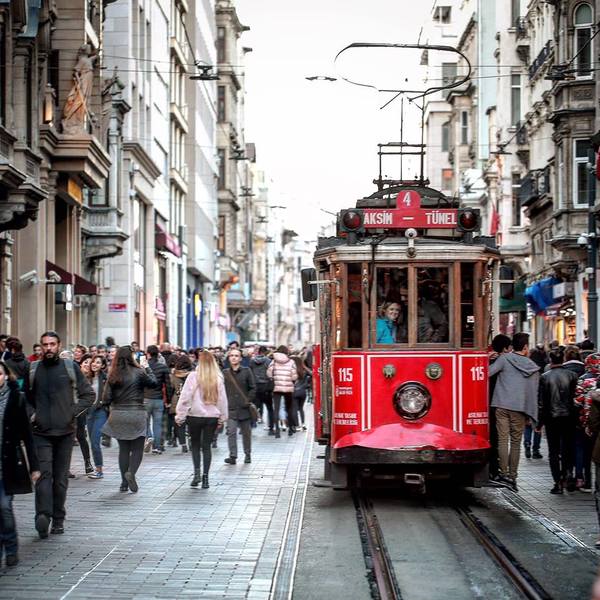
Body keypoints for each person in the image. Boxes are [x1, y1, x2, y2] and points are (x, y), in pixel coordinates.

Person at [25, 331, 94, 538]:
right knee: (43, 476)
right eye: (45, 345)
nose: (48, 348)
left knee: (60, 479)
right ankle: (43, 516)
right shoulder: (33, 369)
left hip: (65, 432)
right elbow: (26, 398)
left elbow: (88, 395)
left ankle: (58, 518)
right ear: (40, 347)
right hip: (41, 432)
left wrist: (70, 413)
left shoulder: (70, 367)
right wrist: (32, 414)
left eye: (52, 344)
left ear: (59, 345)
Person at [101, 346, 157, 493]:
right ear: (131, 357)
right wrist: (147, 368)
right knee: (138, 448)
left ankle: (123, 483)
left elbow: (105, 398)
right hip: (136, 413)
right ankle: (131, 473)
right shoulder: (139, 372)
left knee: (123, 449)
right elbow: (153, 383)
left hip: (118, 414)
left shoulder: (113, 373)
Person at [0, 361, 40, 567]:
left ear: (6, 376)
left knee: (4, 507)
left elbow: (27, 434)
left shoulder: (16, 398)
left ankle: (11, 546)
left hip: (7, 464)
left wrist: (34, 466)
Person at [489, 332, 540, 491]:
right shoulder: (533, 367)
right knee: (516, 443)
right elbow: (534, 392)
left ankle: (503, 474)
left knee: (503, 440)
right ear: (525, 347)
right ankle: (513, 476)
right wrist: (531, 413)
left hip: (502, 405)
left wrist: (488, 359)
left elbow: (487, 373)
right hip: (520, 408)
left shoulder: (504, 359)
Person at [176, 351, 228, 488]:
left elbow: (185, 397)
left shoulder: (193, 376)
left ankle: (197, 473)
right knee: (207, 447)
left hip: (195, 415)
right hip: (212, 417)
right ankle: (206, 478)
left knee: (195, 445)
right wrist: (222, 417)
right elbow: (222, 400)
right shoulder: (218, 377)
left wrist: (180, 415)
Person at [537, 348, 578, 494]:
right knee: (568, 447)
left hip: (552, 418)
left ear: (550, 359)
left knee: (553, 451)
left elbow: (541, 402)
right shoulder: (573, 375)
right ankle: (568, 473)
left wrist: (539, 423)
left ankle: (557, 482)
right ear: (563, 359)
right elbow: (576, 399)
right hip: (569, 417)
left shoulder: (545, 377)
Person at [223, 347, 255, 464]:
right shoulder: (225, 373)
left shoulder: (247, 371)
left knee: (246, 433)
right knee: (231, 432)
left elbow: (252, 388)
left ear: (240, 358)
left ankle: (247, 454)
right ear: (229, 358)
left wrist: (248, 400)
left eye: (236, 356)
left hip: (244, 408)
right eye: (232, 356)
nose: (234, 358)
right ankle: (233, 456)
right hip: (231, 408)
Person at [574, 353, 600, 493]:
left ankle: (585, 481)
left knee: (584, 452)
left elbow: (577, 401)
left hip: (584, 422)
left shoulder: (583, 380)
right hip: (598, 423)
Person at [488, 333, 512, 479]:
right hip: (499, 402)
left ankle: (493, 469)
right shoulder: (504, 362)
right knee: (498, 438)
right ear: (504, 348)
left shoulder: (488, 360)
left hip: (487, 401)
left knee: (492, 436)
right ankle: (497, 470)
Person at [144, 345, 173, 455]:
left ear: (148, 354)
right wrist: (169, 400)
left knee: (145, 422)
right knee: (158, 423)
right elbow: (168, 385)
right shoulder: (163, 367)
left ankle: (149, 437)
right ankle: (157, 447)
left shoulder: (144, 367)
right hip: (158, 399)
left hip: (146, 398)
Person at [85, 355, 108, 479]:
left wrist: (103, 404)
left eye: (98, 362)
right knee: (91, 442)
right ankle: (97, 469)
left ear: (103, 366)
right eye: (93, 362)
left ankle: (99, 470)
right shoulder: (86, 377)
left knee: (94, 442)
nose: (94, 364)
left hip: (100, 412)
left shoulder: (105, 378)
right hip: (89, 412)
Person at [267, 346, 298, 438]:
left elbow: (269, 373)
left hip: (277, 388)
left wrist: (273, 378)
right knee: (289, 408)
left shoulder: (274, 361)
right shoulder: (291, 362)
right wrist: (292, 380)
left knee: (276, 409)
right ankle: (290, 429)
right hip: (288, 388)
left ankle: (277, 431)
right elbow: (294, 376)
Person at [167, 354, 193, 452]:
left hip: (177, 400)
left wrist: (168, 401)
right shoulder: (192, 375)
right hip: (190, 401)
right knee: (190, 422)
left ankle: (183, 444)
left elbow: (170, 389)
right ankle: (190, 439)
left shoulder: (174, 375)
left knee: (179, 424)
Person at [250, 346, 274, 433]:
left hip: (255, 386)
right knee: (270, 408)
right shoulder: (268, 361)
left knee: (253, 407)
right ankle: (271, 428)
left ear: (259, 352)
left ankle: (251, 424)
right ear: (265, 352)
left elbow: (250, 372)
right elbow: (271, 373)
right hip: (266, 386)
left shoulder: (252, 361)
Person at [292, 356, 310, 431]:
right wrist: (304, 366)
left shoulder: (293, 370)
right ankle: (303, 424)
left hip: (294, 391)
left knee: (295, 409)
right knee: (301, 409)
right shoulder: (304, 371)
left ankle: (297, 425)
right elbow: (312, 373)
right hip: (303, 392)